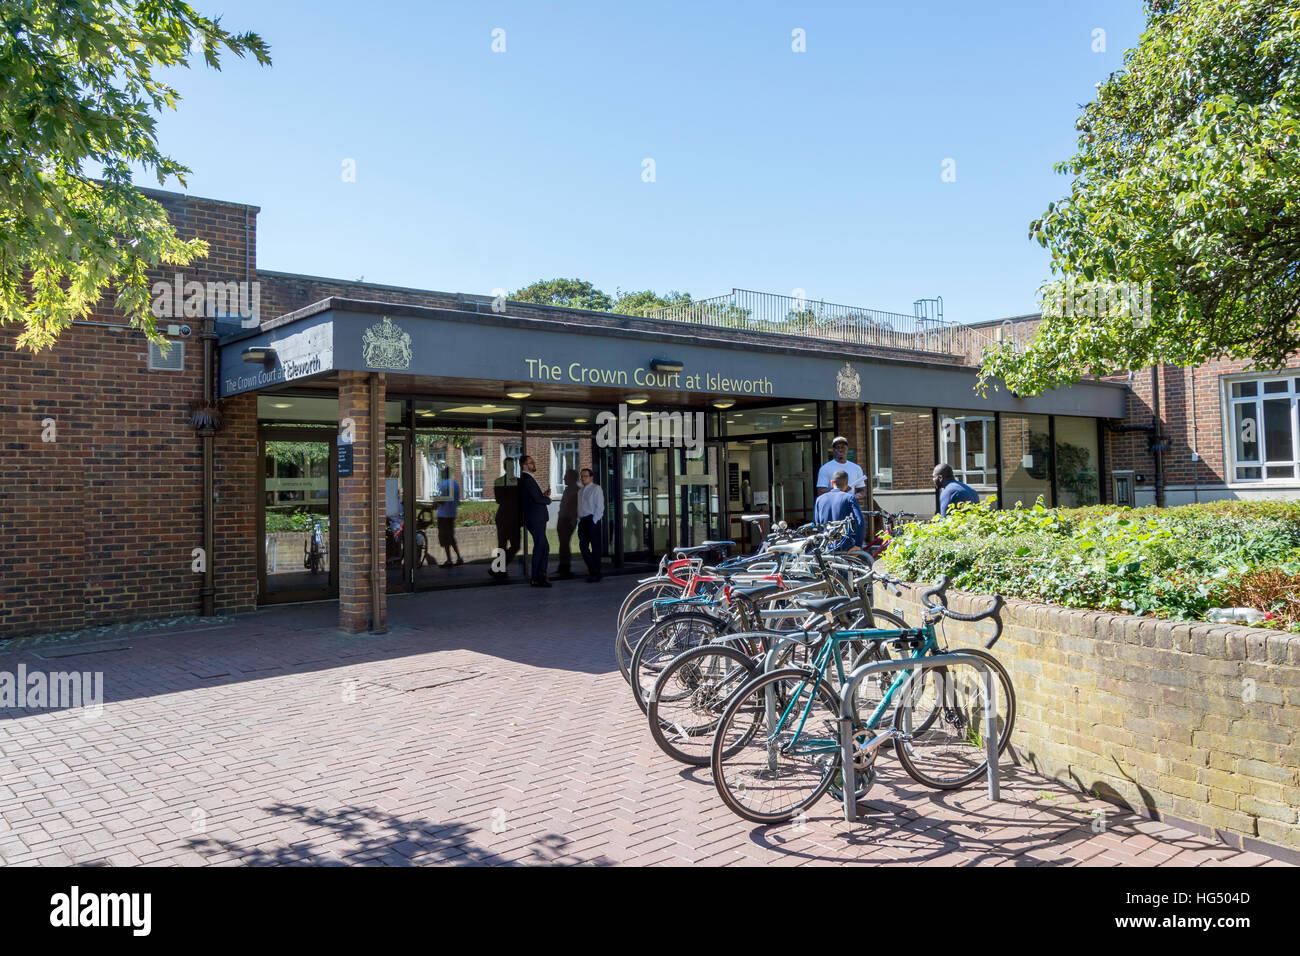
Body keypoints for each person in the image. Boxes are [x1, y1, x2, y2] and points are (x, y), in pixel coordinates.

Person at [519, 453, 552, 586]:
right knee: (541, 546)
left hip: (535, 517)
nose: (534, 464)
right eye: (531, 463)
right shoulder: (527, 479)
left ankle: (540, 575)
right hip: (535, 518)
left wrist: (542, 494)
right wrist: (547, 500)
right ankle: (537, 577)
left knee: (543, 546)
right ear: (524, 465)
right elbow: (537, 500)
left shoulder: (527, 479)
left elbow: (533, 498)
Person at [812, 469, 865, 551]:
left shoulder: (819, 499)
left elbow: (817, 524)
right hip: (843, 544)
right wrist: (858, 544)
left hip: (825, 544)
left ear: (832, 482)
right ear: (847, 484)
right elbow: (860, 521)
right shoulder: (849, 498)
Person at [491, 458, 522, 581]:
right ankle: (499, 570)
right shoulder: (516, 482)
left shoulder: (503, 481)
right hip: (508, 517)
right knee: (509, 545)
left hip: (507, 516)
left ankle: (498, 569)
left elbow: (499, 500)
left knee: (508, 545)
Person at [816, 436, 867, 503]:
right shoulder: (825, 468)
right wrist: (840, 490)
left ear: (847, 449)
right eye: (837, 447)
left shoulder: (856, 468)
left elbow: (862, 490)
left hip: (850, 506)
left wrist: (855, 496)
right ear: (833, 450)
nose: (840, 449)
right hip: (833, 506)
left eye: (843, 447)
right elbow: (820, 491)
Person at [577, 466, 605, 582]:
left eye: (586, 476)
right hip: (583, 521)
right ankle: (594, 571)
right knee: (583, 547)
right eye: (582, 476)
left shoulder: (596, 488)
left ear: (591, 477)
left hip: (592, 520)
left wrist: (594, 520)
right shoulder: (580, 491)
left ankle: (595, 573)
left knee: (595, 548)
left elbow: (600, 506)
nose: (583, 478)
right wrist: (579, 519)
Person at [554, 468, 580, 579]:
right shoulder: (567, 490)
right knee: (563, 544)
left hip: (568, 521)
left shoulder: (576, 491)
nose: (564, 478)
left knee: (565, 544)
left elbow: (574, 508)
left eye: (566, 476)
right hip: (562, 519)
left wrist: (572, 521)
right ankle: (562, 566)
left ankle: (566, 568)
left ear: (572, 478)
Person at [436, 471, 463, 566]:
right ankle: (459, 557)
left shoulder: (443, 484)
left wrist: (435, 501)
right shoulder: (455, 484)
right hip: (452, 514)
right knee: (451, 537)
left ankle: (449, 560)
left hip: (443, 515)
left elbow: (441, 500)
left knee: (445, 538)